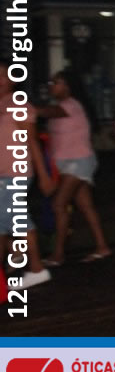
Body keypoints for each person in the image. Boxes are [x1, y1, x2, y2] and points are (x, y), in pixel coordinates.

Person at [36, 69, 111, 265]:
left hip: (77, 162)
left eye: (56, 83)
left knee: (58, 205)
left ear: (68, 86)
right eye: (51, 83)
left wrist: (23, 108)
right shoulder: (61, 107)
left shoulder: (71, 105)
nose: (51, 86)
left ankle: (58, 253)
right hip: (68, 164)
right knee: (86, 207)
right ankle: (102, 246)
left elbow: (45, 111)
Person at [0, 64, 53, 288]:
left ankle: (37, 269)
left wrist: (44, 175)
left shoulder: (18, 104)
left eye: (2, 75)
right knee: (5, 221)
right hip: (3, 174)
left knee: (16, 219)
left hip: (15, 172)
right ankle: (17, 259)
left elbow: (32, 141)